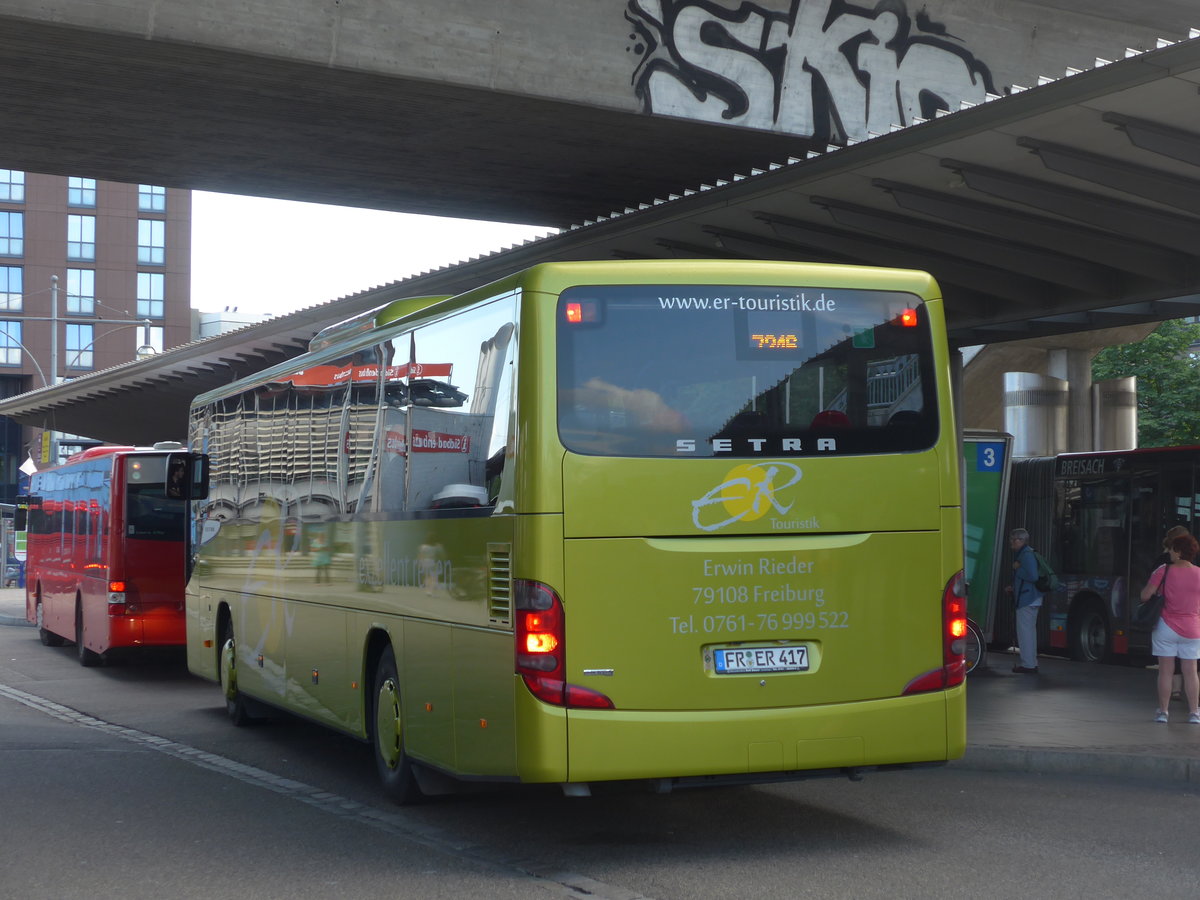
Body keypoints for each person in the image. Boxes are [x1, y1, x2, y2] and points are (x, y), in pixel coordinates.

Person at [1138, 532, 1200, 724]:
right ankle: (1194, 713)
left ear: (1179, 551)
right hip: (1192, 628)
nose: (1170, 552)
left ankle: (1163, 712)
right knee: (1191, 671)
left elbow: (1144, 596)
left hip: (1166, 626)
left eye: (1172, 549)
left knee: (1165, 670)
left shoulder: (1163, 570)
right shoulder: (1199, 573)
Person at [1007, 528, 1043, 674]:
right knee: (1029, 632)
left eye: (1013, 540)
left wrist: (1018, 569)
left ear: (1020, 540)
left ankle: (1028, 665)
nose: (1011, 543)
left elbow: (1033, 576)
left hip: (1027, 598)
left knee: (1025, 633)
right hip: (1032, 598)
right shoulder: (1027, 553)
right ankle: (1031, 662)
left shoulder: (1026, 555)